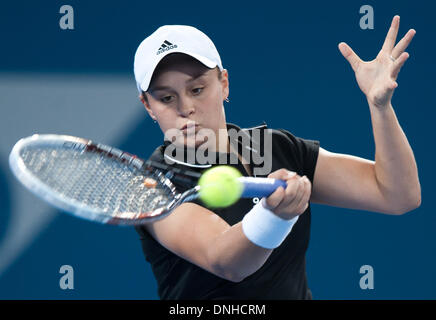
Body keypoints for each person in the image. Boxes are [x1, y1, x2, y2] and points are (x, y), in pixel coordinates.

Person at [133, 18, 421, 299]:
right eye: (166, 98)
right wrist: (275, 216)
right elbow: (226, 261)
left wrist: (380, 107)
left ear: (224, 83)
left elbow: (397, 195)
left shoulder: (275, 148)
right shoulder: (153, 185)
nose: (185, 108)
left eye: (197, 90)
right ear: (148, 105)